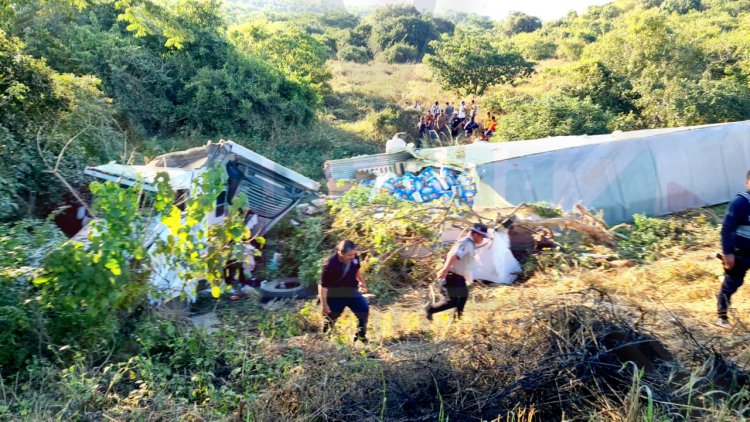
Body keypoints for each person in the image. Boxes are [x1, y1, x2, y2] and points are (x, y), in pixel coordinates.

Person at [425, 223, 489, 321]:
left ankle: (457, 320)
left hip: (459, 277)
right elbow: (454, 255)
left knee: (463, 297)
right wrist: (445, 270)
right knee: (452, 301)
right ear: (476, 234)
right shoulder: (466, 243)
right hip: (452, 275)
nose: (483, 239)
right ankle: (430, 309)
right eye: (482, 236)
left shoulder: (471, 244)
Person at [717, 171, 750, 327]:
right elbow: (727, 229)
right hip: (740, 254)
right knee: (732, 284)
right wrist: (728, 254)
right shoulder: (739, 203)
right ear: (747, 183)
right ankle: (722, 316)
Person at [320, 240, 370, 343]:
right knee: (331, 319)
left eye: (354, 254)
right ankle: (326, 339)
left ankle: (360, 336)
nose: (352, 257)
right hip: (336, 295)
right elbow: (323, 286)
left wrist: (362, 282)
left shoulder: (354, 257)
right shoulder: (330, 264)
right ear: (340, 253)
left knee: (364, 310)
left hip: (351, 292)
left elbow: (356, 270)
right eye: (349, 255)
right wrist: (324, 305)